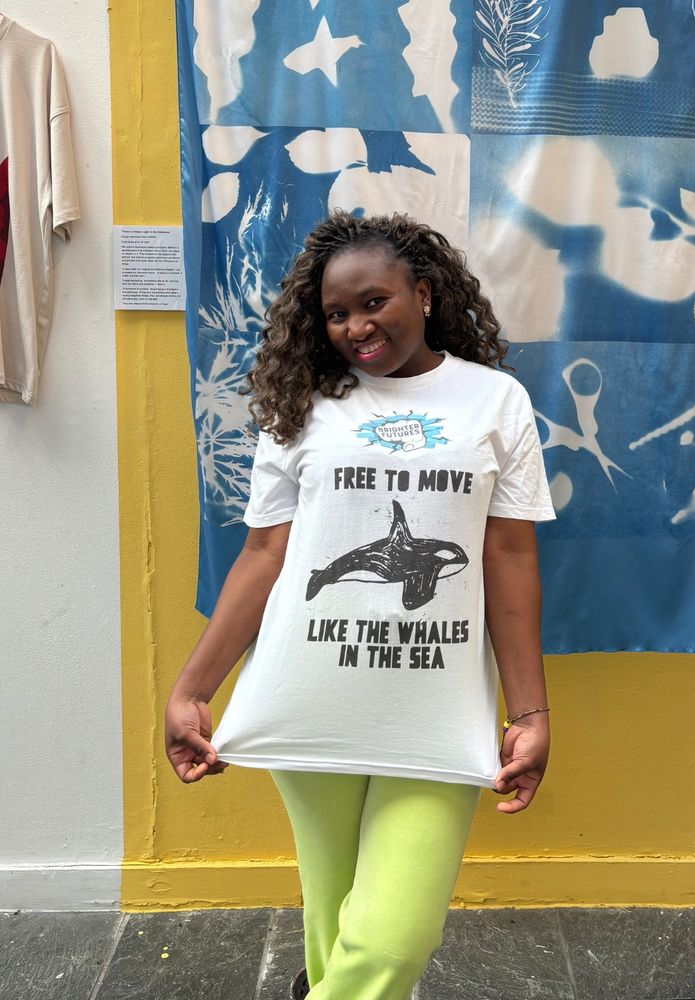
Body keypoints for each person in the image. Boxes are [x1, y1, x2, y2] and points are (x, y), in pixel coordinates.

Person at [164, 210, 556, 1000]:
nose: (356, 327)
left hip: (436, 710)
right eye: (336, 313)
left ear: (425, 292)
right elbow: (264, 556)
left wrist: (530, 711)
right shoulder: (303, 404)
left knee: (391, 938)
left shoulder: (495, 401)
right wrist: (192, 689)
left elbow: (509, 558)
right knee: (332, 913)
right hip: (309, 698)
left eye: (374, 302)